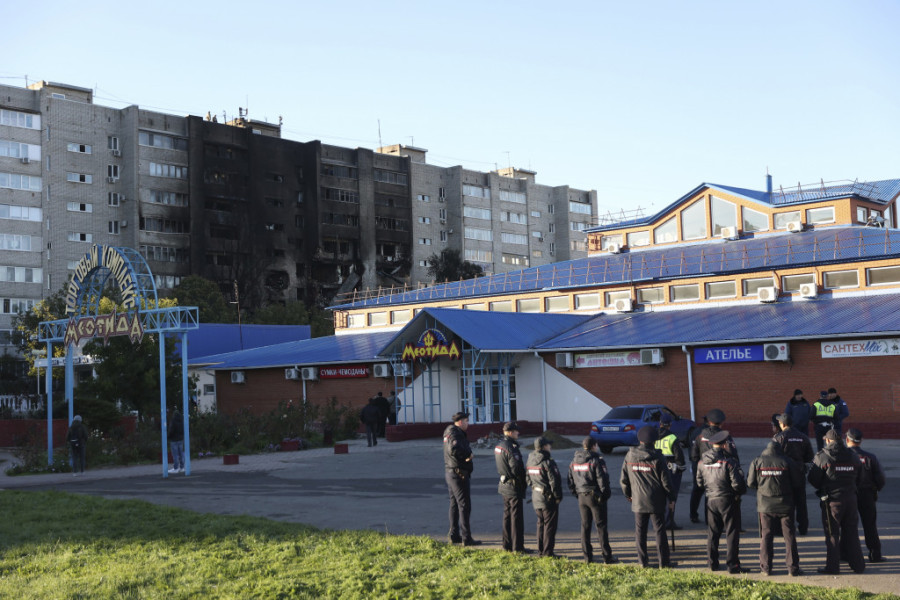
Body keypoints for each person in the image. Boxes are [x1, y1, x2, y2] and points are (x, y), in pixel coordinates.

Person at [807, 429, 865, 574]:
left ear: (827, 440)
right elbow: (860, 477)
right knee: (852, 533)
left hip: (832, 501)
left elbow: (813, 478)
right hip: (851, 498)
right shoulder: (853, 456)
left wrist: (824, 487)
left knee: (832, 534)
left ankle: (833, 567)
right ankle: (858, 566)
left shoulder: (822, 456)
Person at [620, 425, 677, 569]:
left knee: (640, 532)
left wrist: (629, 495)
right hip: (656, 500)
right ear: (654, 441)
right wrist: (671, 498)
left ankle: (642, 562)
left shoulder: (630, 455)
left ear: (640, 440)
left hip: (638, 500)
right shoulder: (658, 457)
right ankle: (664, 563)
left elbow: (624, 479)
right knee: (659, 531)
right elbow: (666, 482)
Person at [748, 440, 804, 576]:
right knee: (789, 536)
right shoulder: (787, 461)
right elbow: (797, 482)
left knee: (766, 535)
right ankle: (793, 568)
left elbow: (750, 483)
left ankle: (766, 568)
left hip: (765, 506)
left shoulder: (757, 461)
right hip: (785, 504)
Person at [696, 430, 748, 574]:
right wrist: (737, 493)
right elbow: (737, 485)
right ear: (724, 445)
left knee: (713, 533)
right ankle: (732, 565)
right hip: (727, 500)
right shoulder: (729, 462)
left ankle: (712, 563)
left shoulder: (701, 462)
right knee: (731, 533)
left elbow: (699, 484)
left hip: (711, 500)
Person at [567, 436, 617, 564]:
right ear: (594, 446)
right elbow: (603, 480)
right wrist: (604, 496)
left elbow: (570, 480)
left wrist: (577, 493)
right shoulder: (596, 460)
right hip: (595, 497)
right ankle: (607, 556)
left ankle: (587, 557)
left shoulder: (574, 461)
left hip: (582, 496)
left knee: (585, 526)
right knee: (601, 527)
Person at [690, 409, 739, 527]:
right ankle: (713, 521)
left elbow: (693, 455)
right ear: (722, 422)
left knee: (699, 491)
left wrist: (699, 467)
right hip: (720, 470)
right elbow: (733, 454)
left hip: (703, 468)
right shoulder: (724, 436)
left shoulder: (700, 436)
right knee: (716, 494)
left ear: (708, 421)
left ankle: (694, 515)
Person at [845, 428, 886, 563]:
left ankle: (845, 554)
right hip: (867, 494)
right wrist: (875, 489)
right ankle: (875, 554)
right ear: (861, 440)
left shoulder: (843, 456)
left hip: (848, 494)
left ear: (847, 439)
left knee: (847, 525)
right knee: (870, 525)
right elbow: (880, 478)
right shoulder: (870, 457)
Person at [772, 413, 814, 535]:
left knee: (783, 500)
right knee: (801, 502)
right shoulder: (803, 437)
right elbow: (809, 457)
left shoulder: (778, 438)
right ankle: (803, 528)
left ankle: (784, 528)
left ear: (782, 424)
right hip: (799, 472)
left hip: (783, 474)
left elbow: (773, 456)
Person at [443, 411, 480, 546]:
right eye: (466, 421)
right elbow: (455, 449)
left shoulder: (449, 431)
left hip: (451, 472)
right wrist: (468, 455)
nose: (468, 424)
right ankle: (466, 537)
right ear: (460, 422)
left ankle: (454, 535)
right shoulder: (455, 434)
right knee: (464, 505)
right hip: (458, 473)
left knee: (454, 504)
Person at [527, 436, 563, 557]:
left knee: (540, 524)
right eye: (548, 445)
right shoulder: (548, 461)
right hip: (548, 498)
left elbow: (528, 478)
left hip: (536, 495)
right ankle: (548, 552)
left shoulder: (530, 459)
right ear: (543, 447)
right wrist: (557, 496)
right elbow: (555, 481)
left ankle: (541, 550)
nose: (550, 447)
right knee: (549, 526)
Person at [494, 421, 527, 553]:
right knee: (516, 518)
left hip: (504, 484)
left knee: (507, 516)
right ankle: (517, 547)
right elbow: (516, 468)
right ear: (510, 432)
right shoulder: (511, 447)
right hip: (513, 486)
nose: (518, 433)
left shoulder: (499, 445)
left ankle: (507, 545)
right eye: (516, 431)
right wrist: (524, 480)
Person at [655, 413, 686, 530]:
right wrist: (681, 468)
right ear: (670, 425)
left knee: (659, 496)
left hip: (655, 469)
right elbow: (680, 458)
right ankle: (668, 521)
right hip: (670, 470)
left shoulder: (653, 436)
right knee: (671, 496)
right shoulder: (672, 438)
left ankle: (658, 520)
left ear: (660, 424)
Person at [688, 417, 707, 523]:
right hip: (707, 465)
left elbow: (690, 448)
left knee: (696, 490)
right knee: (710, 491)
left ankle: (693, 514)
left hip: (696, 464)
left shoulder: (695, 432)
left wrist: (693, 462)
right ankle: (709, 518)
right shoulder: (710, 433)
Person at [167, 408, 185, 474]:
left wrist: (168, 436)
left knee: (175, 455)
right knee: (181, 454)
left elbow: (171, 430)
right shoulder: (182, 421)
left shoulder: (173, 421)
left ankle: (176, 468)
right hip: (180, 439)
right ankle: (182, 467)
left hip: (174, 439)